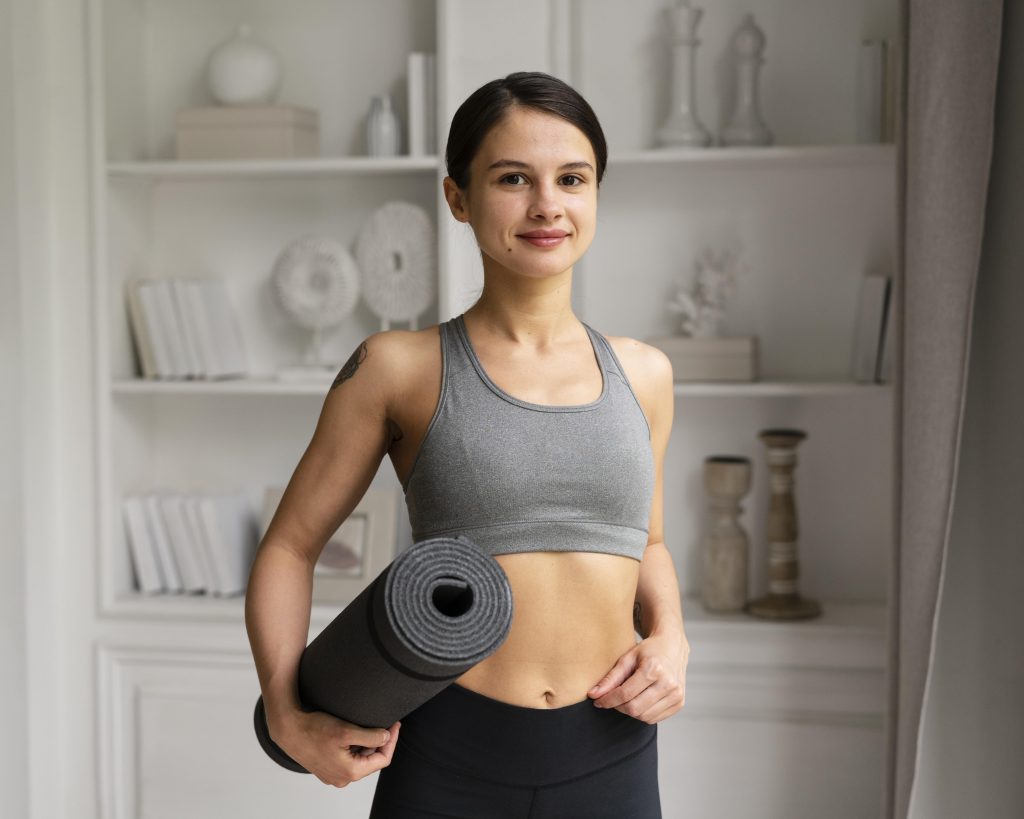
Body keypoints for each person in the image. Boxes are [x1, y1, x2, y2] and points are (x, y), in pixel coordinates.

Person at [245, 71, 690, 818]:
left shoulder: (646, 374)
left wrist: (673, 637)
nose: (547, 204)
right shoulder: (397, 368)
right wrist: (288, 718)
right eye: (513, 177)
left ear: (595, 195)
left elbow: (647, 542)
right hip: (448, 758)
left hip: (612, 753)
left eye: (571, 178)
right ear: (458, 197)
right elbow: (289, 547)